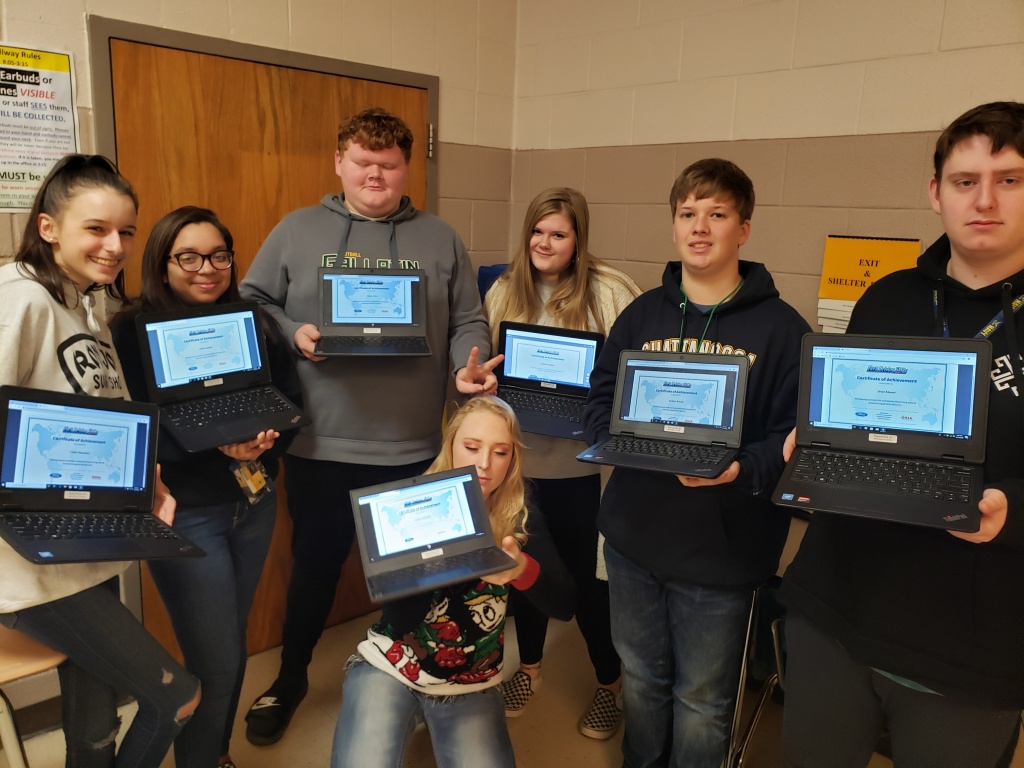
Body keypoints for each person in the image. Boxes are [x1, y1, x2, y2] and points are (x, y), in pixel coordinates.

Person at [239, 106, 500, 745]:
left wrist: (466, 366)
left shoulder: (440, 238)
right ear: (339, 162)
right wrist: (291, 332)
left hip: (413, 443)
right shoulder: (296, 230)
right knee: (314, 568)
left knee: (416, 576)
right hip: (321, 442)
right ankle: (291, 677)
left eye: (388, 164)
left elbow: (467, 317)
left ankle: (411, 682)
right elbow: (251, 301)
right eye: (362, 163)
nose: (375, 175)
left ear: (407, 167)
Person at [780, 102, 1024, 768]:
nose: (985, 200)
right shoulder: (887, 296)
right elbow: (851, 416)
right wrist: (814, 441)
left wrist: (1012, 510)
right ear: (936, 193)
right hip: (835, 607)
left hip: (970, 649)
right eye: (966, 181)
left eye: (1009, 179)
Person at [583, 158, 809, 767]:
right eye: (688, 214)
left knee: (703, 701)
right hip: (633, 540)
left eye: (717, 214)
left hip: (723, 552)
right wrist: (611, 439)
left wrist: (740, 469)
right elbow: (601, 397)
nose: (700, 228)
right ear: (674, 223)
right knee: (640, 678)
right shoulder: (641, 314)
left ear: (744, 228)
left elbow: (791, 438)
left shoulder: (783, 330)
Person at [0, 154, 200, 767]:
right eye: (96, 229)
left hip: (87, 540)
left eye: (126, 231)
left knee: (93, 729)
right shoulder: (20, 300)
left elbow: (106, 417)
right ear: (48, 227)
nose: (115, 247)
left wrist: (148, 481)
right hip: (32, 562)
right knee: (176, 698)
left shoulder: (88, 306)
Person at [110, 206, 302, 768]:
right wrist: (212, 442)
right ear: (162, 263)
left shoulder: (254, 322)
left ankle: (214, 754)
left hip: (253, 503)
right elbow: (131, 430)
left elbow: (289, 403)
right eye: (189, 258)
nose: (207, 269)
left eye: (219, 256)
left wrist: (262, 445)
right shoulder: (128, 333)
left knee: (229, 647)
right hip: (187, 516)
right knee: (216, 660)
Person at [331, 395, 575, 768]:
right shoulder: (412, 504)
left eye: (500, 452)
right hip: (392, 664)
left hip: (472, 681)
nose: (484, 464)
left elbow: (565, 604)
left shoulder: (520, 515)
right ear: (451, 445)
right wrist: (436, 555)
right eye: (472, 447)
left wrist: (520, 569)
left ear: (513, 458)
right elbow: (399, 619)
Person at [483, 187, 640, 737]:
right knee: (523, 570)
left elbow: (635, 370)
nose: (545, 243)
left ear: (579, 240)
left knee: (588, 583)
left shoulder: (611, 291)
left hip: (583, 467)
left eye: (559, 234)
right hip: (520, 463)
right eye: (537, 231)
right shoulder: (505, 289)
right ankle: (528, 669)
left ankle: (609, 685)